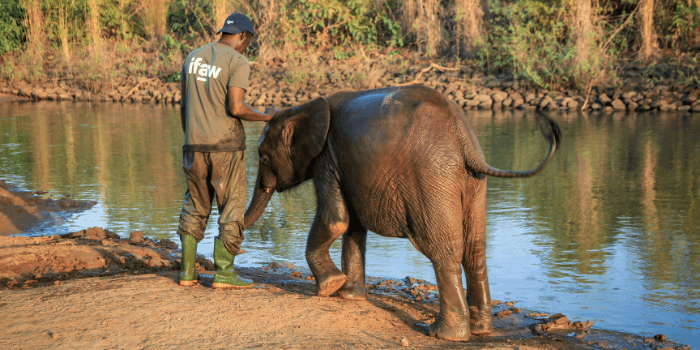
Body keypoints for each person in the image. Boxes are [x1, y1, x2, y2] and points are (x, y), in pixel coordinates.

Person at [177, 13, 277, 288]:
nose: (247, 47)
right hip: (226, 147)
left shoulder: (192, 57)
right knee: (231, 206)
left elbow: (184, 107)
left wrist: (190, 136)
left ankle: (187, 272)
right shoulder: (237, 61)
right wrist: (267, 118)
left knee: (195, 206)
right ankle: (224, 273)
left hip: (193, 145)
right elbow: (236, 107)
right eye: (249, 41)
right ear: (243, 36)